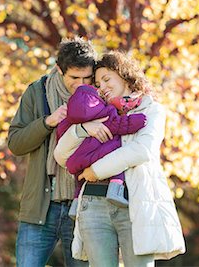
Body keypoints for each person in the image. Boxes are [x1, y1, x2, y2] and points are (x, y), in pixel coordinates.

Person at [54, 51, 186, 267]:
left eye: (107, 79)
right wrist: (83, 129)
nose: (102, 87)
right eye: (98, 83)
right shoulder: (94, 113)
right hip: (93, 204)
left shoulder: (150, 109)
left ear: (125, 76)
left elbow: (141, 150)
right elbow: (61, 156)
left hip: (133, 203)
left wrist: (95, 171)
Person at [7, 36, 97, 267]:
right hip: (41, 206)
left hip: (83, 208)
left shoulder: (100, 94)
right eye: (74, 77)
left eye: (87, 77)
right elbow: (16, 143)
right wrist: (47, 122)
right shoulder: (37, 92)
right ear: (59, 69)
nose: (82, 83)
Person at [55, 84, 147, 217]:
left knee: (79, 180)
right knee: (117, 147)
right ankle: (115, 189)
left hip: (75, 161)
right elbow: (120, 124)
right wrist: (140, 120)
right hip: (98, 156)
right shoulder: (104, 113)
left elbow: (60, 134)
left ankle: (75, 205)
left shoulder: (69, 120)